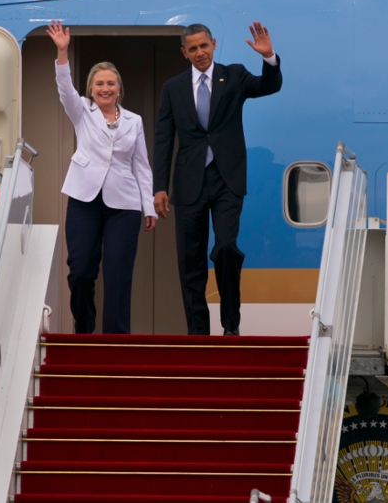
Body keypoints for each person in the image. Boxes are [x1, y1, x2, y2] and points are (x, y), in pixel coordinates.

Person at [153, 22, 282, 336]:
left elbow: (269, 86)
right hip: (188, 184)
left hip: (228, 179)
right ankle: (197, 332)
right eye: (193, 49)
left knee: (225, 247)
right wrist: (159, 187)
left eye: (204, 46)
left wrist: (269, 58)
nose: (200, 53)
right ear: (185, 53)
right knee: (191, 262)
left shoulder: (234, 75)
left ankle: (230, 325)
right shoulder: (173, 88)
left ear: (213, 44)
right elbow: (163, 139)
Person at [46, 20, 157, 334]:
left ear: (119, 88)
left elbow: (141, 166)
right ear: (91, 90)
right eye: (99, 84)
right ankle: (84, 330)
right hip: (84, 201)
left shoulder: (133, 121)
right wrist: (62, 52)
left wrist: (148, 206)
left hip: (124, 204)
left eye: (110, 83)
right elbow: (64, 87)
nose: (105, 88)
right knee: (80, 272)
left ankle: (116, 339)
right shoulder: (81, 110)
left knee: (118, 273)